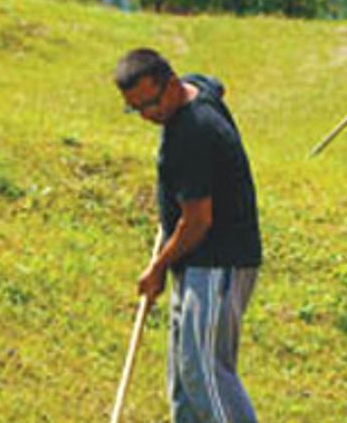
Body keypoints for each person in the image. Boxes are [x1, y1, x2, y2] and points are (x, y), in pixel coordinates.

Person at [115, 48, 262, 422]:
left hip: (217, 263)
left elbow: (197, 221)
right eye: (137, 108)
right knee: (184, 381)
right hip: (197, 261)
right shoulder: (196, 90)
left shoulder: (191, 134)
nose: (149, 114)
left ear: (171, 82)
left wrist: (158, 266)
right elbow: (213, 83)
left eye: (151, 102)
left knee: (206, 376)